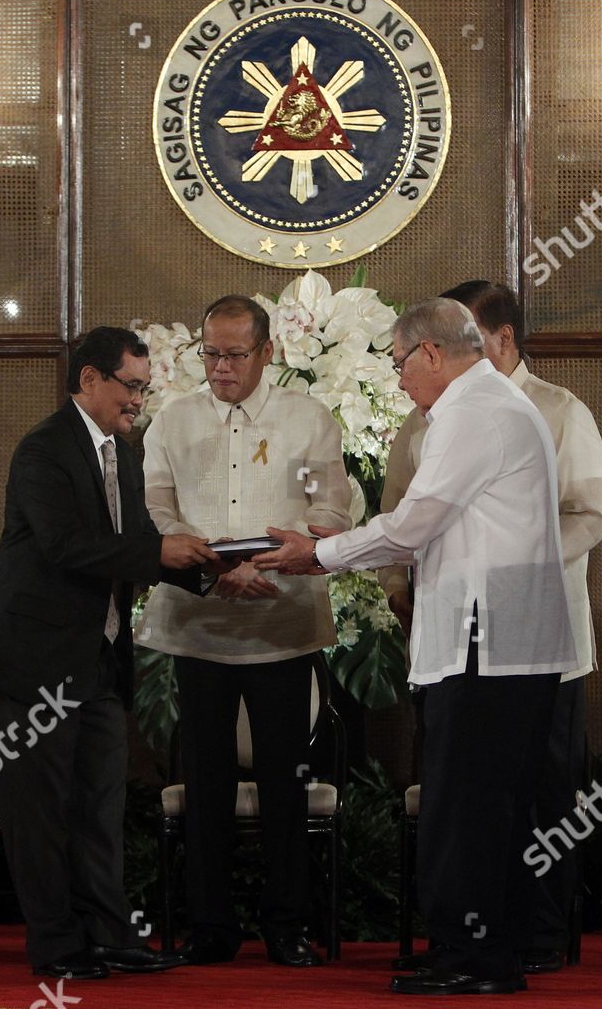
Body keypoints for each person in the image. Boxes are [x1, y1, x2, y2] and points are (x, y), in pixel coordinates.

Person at [257, 299, 579, 996]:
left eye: (400, 362)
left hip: (486, 644)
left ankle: (476, 957)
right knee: (489, 807)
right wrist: (339, 546)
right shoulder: (492, 402)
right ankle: (480, 948)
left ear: (431, 352)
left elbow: (412, 527)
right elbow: (432, 528)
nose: (399, 379)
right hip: (501, 642)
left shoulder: (473, 411)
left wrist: (319, 553)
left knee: (471, 809)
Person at [0, 327, 224, 981]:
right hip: (34, 664)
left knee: (99, 808)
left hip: (99, 662)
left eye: (144, 388)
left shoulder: (124, 456)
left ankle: (109, 936)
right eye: (130, 386)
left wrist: (211, 569)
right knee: (41, 812)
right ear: (89, 379)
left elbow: (136, 543)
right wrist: (160, 550)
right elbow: (67, 545)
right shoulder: (43, 450)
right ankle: (58, 945)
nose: (139, 400)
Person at [378, 281, 602, 974]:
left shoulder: (557, 409)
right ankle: (478, 939)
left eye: (470, 336)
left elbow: (588, 515)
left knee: (539, 792)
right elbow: (401, 510)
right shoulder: (426, 416)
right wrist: (399, 587)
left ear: (500, 339)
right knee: (464, 795)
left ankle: (536, 933)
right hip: (455, 631)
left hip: (531, 632)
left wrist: (510, 568)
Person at [137, 295, 353, 967]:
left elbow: (330, 511)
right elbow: (154, 508)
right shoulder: (173, 421)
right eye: (210, 353)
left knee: (286, 782)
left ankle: (287, 924)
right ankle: (210, 925)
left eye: (234, 354)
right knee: (205, 783)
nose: (220, 367)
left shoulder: (307, 419)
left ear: (267, 352)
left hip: (281, 622)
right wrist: (214, 567)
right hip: (198, 624)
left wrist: (267, 563)